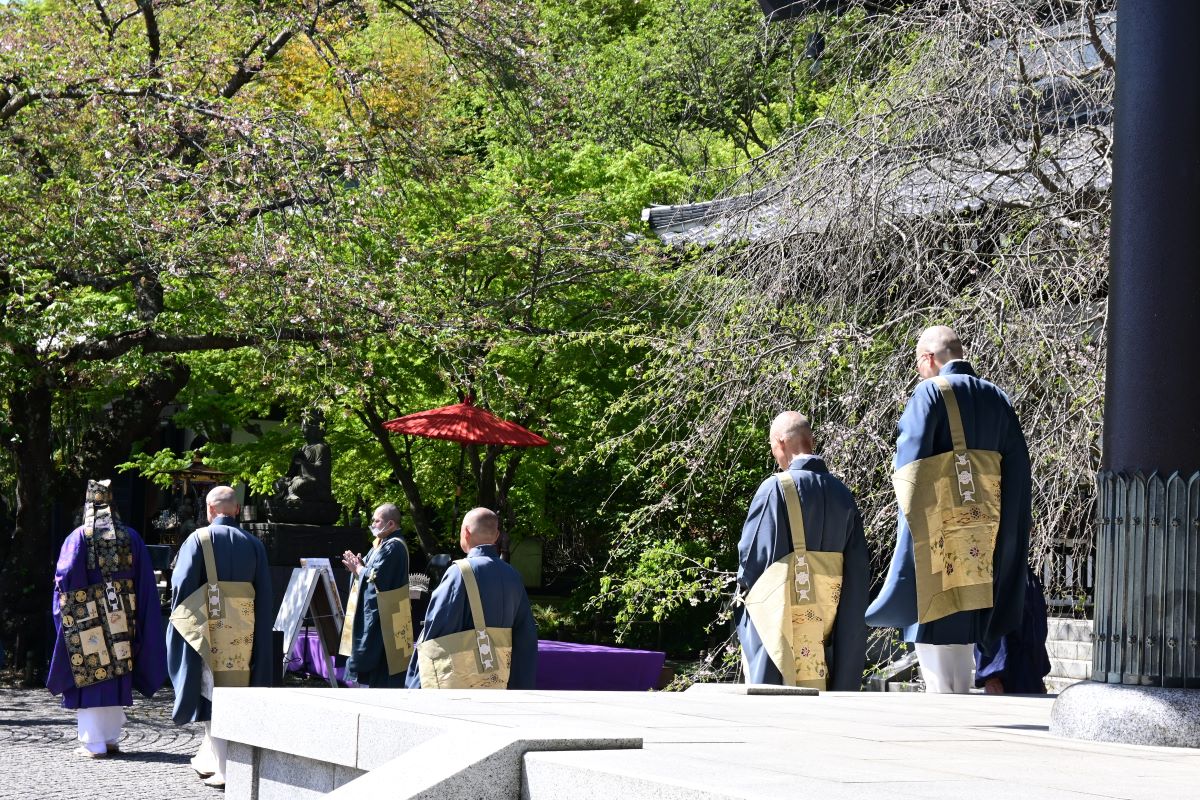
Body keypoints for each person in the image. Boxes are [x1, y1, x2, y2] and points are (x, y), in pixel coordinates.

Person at [866, 325, 1032, 693]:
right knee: (965, 638)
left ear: (928, 359)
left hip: (939, 537)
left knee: (934, 642)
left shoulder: (930, 393)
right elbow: (1018, 470)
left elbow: (909, 466)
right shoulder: (997, 397)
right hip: (985, 536)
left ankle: (944, 718)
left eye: (917, 364)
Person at [736, 412, 870, 690]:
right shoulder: (842, 493)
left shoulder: (776, 489)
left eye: (772, 446)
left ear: (782, 442)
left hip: (784, 621)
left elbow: (752, 562)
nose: (774, 454)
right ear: (811, 441)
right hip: (829, 625)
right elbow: (857, 567)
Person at [46, 480, 167, 758]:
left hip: (86, 617)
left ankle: (93, 743)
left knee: (92, 676)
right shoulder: (131, 537)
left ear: (88, 506)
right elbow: (144, 581)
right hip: (123, 617)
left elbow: (65, 578)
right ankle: (111, 738)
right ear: (113, 505)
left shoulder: (79, 536)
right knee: (117, 673)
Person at [166, 485, 273, 788]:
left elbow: (182, 586)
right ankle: (211, 758)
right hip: (246, 631)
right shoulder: (254, 544)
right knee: (235, 691)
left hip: (210, 630)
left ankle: (226, 769)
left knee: (214, 693)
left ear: (210, 510)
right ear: (236, 510)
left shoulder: (199, 539)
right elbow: (264, 593)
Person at [405, 507, 537, 689]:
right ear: (497, 535)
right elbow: (526, 637)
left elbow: (435, 631)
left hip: (461, 682)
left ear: (466, 532)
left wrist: (414, 680)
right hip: (499, 682)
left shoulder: (460, 572)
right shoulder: (513, 575)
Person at [339, 503, 413, 688]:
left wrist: (360, 569)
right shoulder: (381, 545)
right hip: (381, 611)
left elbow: (377, 579)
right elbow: (369, 572)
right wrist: (358, 567)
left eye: (376, 520)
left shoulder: (393, 547)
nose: (372, 523)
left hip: (387, 616)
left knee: (384, 660)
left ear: (390, 524)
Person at [974, 563, 1052, 694]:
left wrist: (1038, 674)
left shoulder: (1029, 578)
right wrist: (991, 676)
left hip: (1030, 671)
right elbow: (990, 628)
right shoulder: (998, 576)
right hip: (1006, 673)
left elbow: (1037, 629)